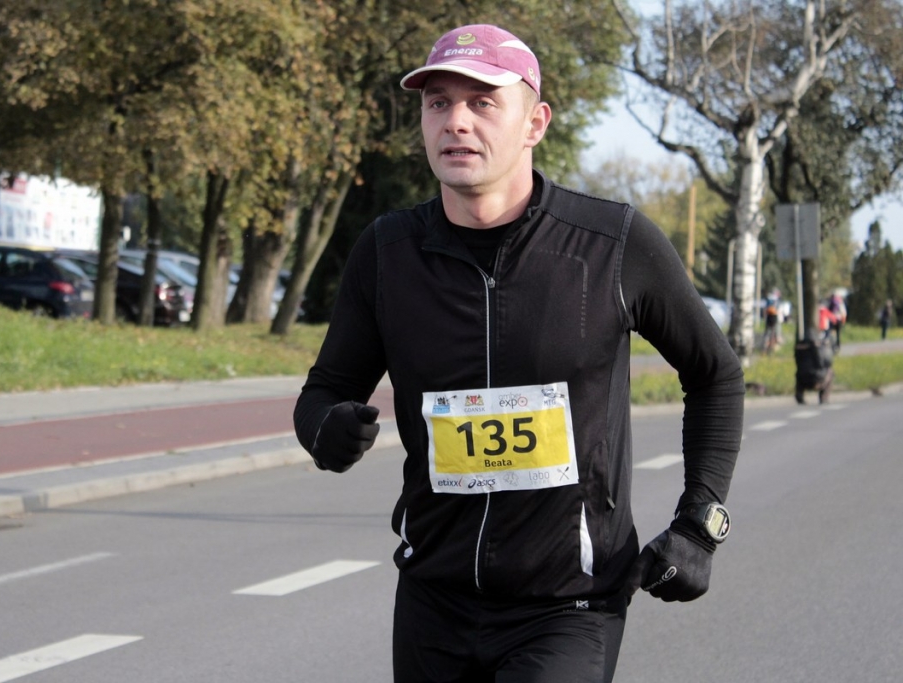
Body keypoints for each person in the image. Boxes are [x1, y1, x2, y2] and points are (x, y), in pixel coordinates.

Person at [294, 23, 744, 683]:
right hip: (432, 601)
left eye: (482, 102)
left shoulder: (611, 245)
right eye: (438, 103)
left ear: (535, 123)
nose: (456, 121)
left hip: (570, 604)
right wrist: (325, 431)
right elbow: (324, 392)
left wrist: (701, 522)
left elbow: (715, 374)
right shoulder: (388, 253)